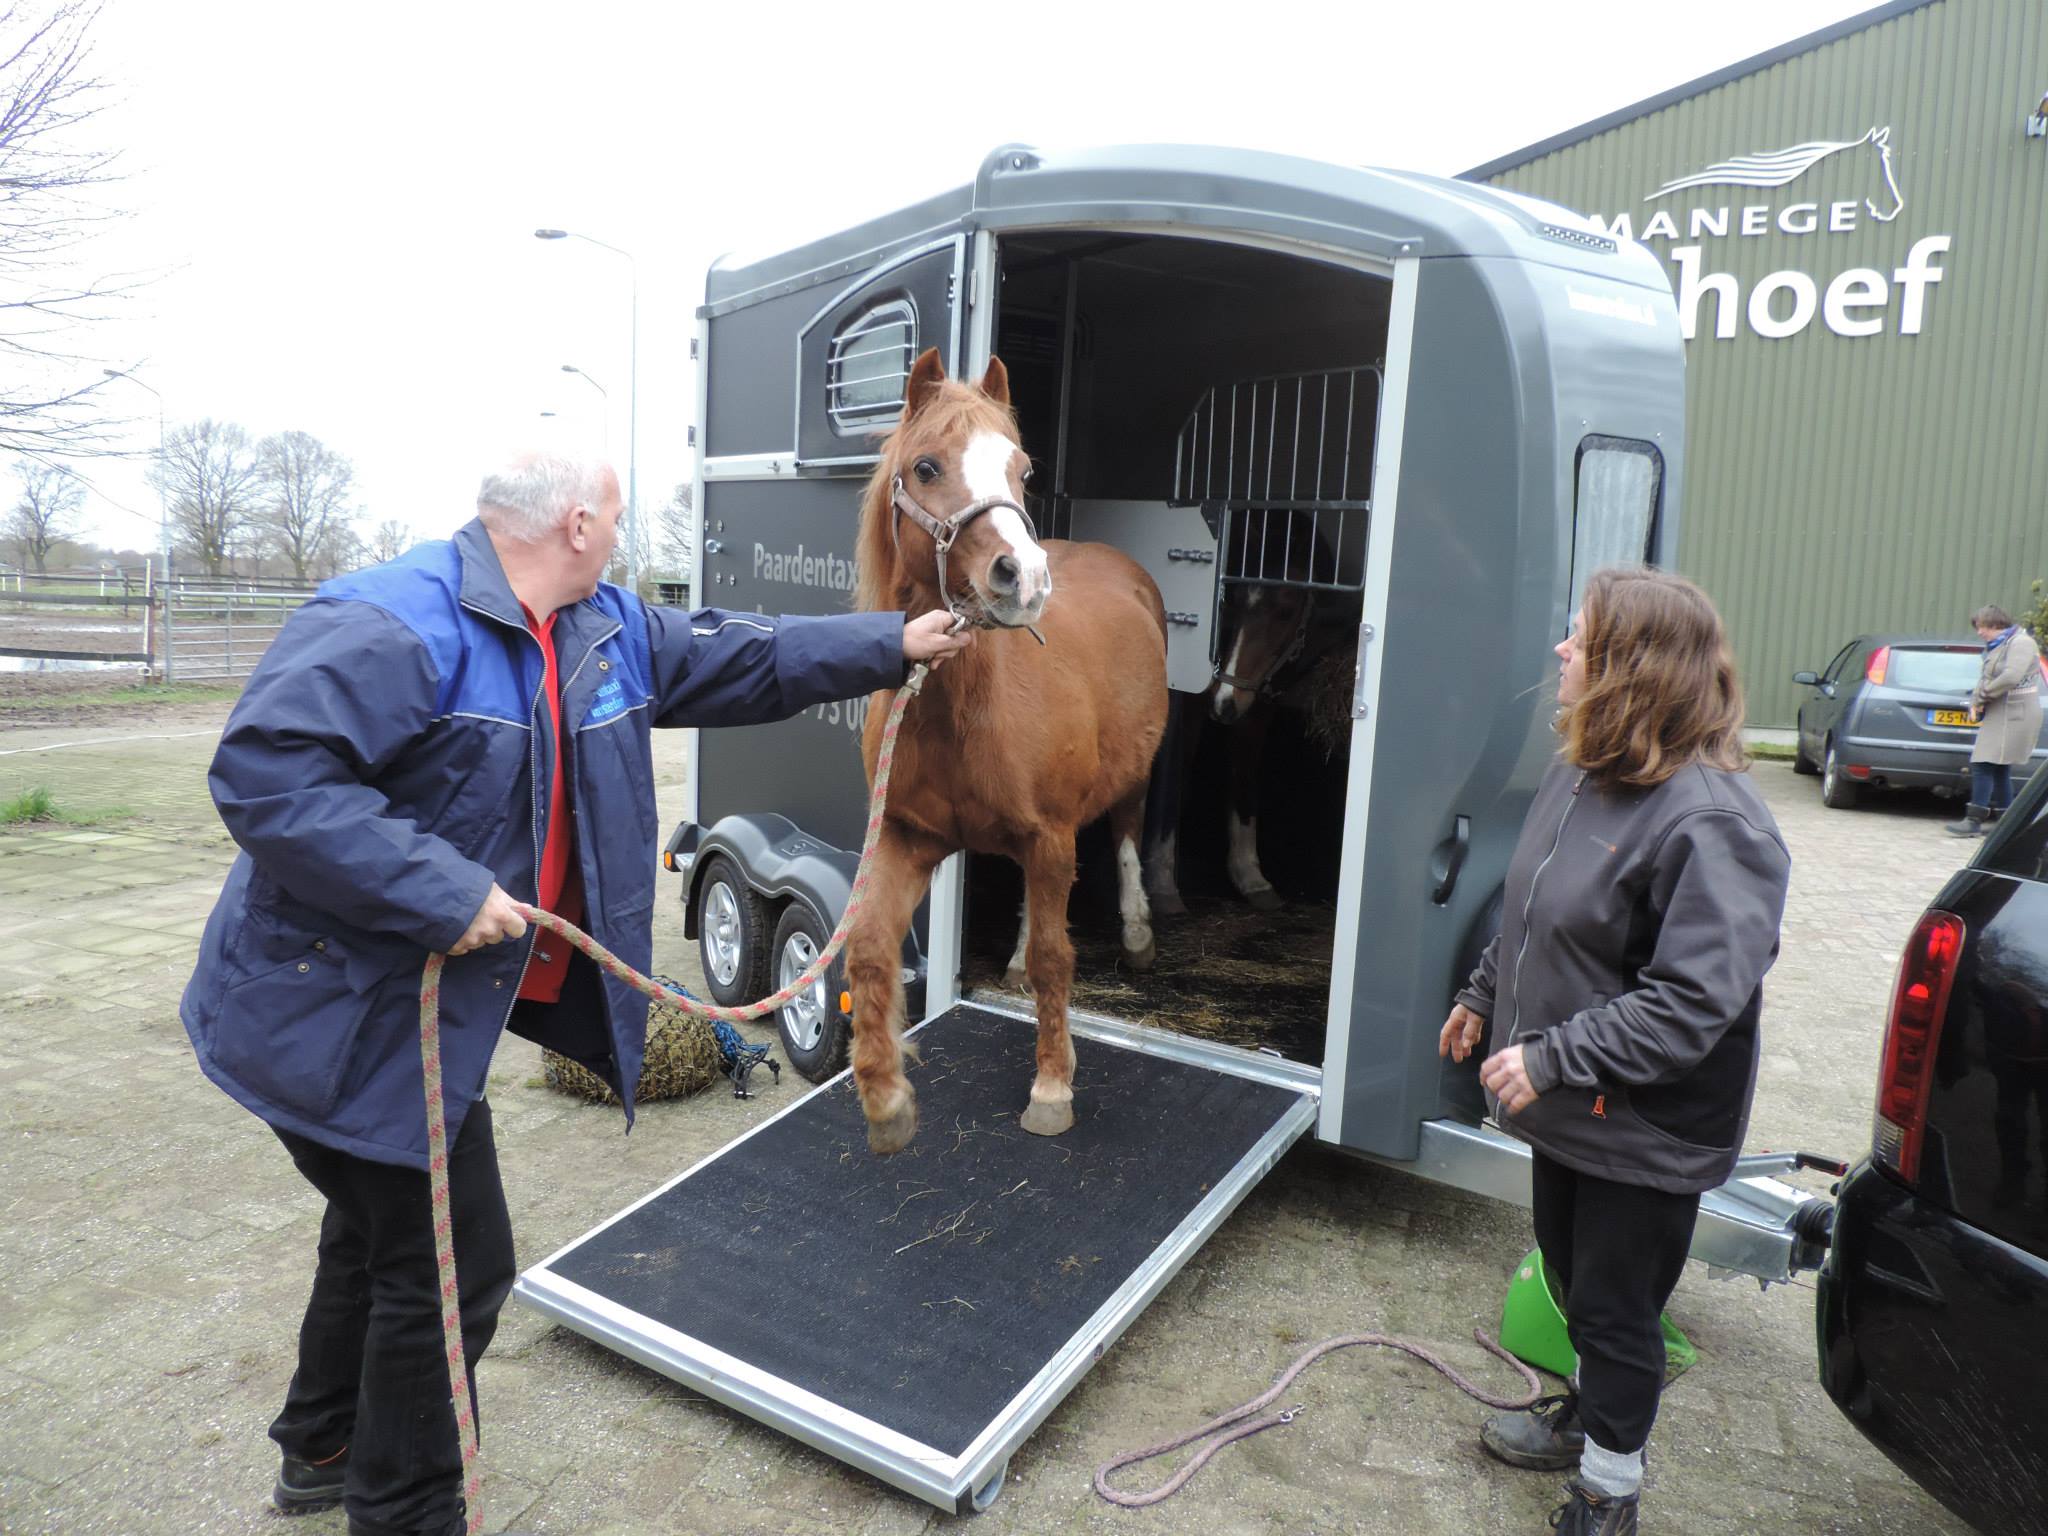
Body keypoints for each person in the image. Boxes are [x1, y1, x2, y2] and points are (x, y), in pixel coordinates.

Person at [180, 454, 970, 1536]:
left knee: (382, 1227)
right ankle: (404, 1511)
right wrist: (441, 888)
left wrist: (892, 643)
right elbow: (266, 773)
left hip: (410, 1012)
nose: (622, 525)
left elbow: (747, 655)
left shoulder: (602, 627)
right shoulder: (391, 623)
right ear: (580, 521)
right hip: (332, 1011)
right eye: (617, 508)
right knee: (455, 1261)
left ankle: (320, 1446)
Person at [1438, 567, 1791, 1536]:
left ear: (1631, 668)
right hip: (1571, 1111)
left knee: (1614, 1306)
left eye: (1578, 639)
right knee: (1565, 1275)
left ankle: (1608, 1489)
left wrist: (1549, 1059)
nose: (1559, 652)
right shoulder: (1580, 770)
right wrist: (1479, 998)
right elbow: (1531, 911)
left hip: (1644, 1126)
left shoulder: (1713, 824)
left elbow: (1689, 1004)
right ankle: (1592, 1415)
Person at [1946, 604, 2043, 837]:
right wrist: (1975, 702)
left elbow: (2011, 676)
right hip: (2001, 710)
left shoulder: (2021, 643)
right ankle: (2005, 823)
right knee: (1998, 766)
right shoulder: (1998, 645)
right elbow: (1987, 675)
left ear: (1995, 624)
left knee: (1982, 763)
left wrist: (1982, 696)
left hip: (2015, 711)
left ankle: (1974, 820)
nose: (1979, 632)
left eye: (1982, 627)